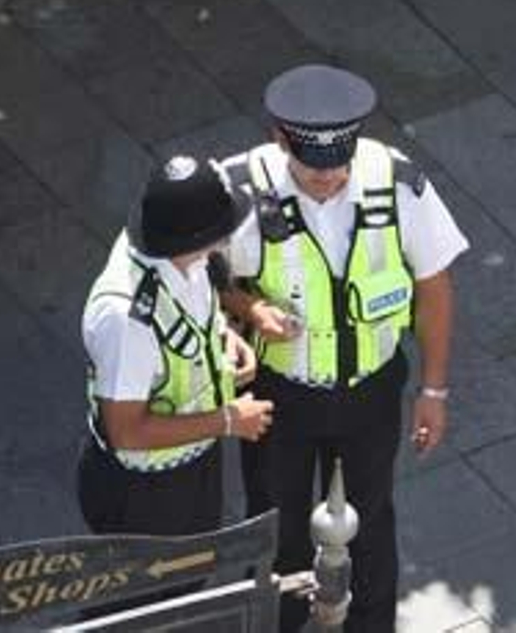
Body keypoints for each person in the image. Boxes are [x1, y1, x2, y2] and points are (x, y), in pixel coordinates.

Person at [216, 64, 466, 633]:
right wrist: (249, 309)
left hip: (370, 390)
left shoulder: (395, 180)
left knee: (371, 522)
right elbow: (200, 282)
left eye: (339, 169)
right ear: (281, 140)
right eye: (312, 170)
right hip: (278, 396)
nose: (328, 181)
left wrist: (434, 390)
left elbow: (434, 286)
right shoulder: (235, 193)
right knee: (277, 529)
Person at [78, 154, 276, 537]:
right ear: (196, 237)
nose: (229, 236)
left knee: (195, 572)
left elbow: (193, 309)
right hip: (142, 497)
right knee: (153, 595)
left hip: (194, 463)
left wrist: (224, 339)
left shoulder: (179, 251)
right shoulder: (127, 320)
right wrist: (230, 420)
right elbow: (126, 431)